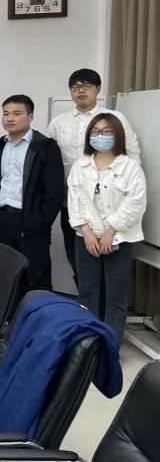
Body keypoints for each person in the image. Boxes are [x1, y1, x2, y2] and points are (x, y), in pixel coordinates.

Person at [48, 68, 140, 283]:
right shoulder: (58, 123)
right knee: (77, 257)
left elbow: (133, 155)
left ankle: (106, 302)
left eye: (87, 86)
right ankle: (87, 299)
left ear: (98, 89)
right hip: (72, 203)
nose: (81, 91)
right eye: (75, 87)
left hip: (110, 203)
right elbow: (49, 160)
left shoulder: (115, 119)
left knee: (111, 262)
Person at [67, 113, 146, 340]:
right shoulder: (80, 165)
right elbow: (74, 201)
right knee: (87, 292)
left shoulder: (130, 167)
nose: (100, 136)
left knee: (115, 296)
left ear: (117, 135)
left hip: (119, 238)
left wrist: (111, 230)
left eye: (107, 131)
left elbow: (135, 203)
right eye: (95, 132)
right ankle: (87, 343)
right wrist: (87, 232)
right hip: (86, 237)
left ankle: (111, 345)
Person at [0, 95, 64, 290]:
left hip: (31, 221)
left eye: (16, 114)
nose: (10, 118)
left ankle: (38, 311)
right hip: (2, 220)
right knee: (6, 277)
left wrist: (41, 221)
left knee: (36, 277)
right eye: (6, 113)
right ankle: (11, 311)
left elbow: (54, 192)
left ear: (30, 117)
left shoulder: (45, 147)